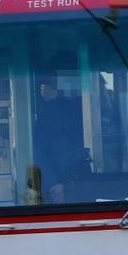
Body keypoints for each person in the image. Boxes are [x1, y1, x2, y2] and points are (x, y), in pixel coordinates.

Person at [32, 73, 88, 203]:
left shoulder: (48, 112)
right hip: (73, 191)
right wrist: (64, 188)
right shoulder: (53, 113)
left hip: (60, 190)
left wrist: (56, 186)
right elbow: (39, 152)